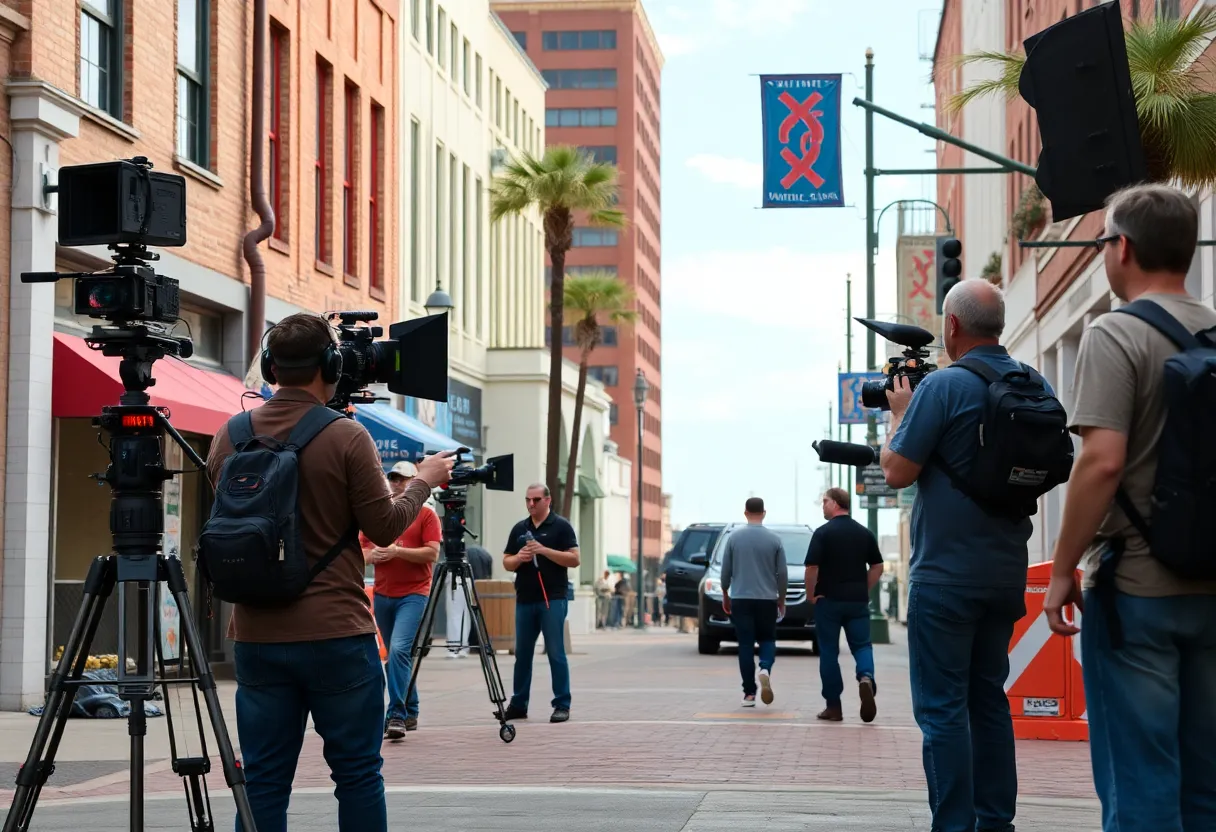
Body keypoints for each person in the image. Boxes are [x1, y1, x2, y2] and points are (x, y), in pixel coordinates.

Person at [206, 313, 455, 832]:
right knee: (359, 775)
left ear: (272, 367)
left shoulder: (229, 436)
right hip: (335, 635)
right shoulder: (346, 435)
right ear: (332, 365)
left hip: (256, 636)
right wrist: (423, 481)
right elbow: (384, 528)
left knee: (264, 780)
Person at [1043, 184, 1216, 832]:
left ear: (1122, 248)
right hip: (1210, 587)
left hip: (1140, 587)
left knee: (1141, 781)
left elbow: (1102, 462)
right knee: (1205, 784)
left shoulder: (1116, 334)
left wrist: (1063, 570)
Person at [881, 279, 1049, 832]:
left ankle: (953, 825)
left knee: (943, 710)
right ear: (998, 326)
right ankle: (995, 822)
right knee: (988, 702)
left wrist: (898, 413)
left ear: (951, 327)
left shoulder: (945, 387)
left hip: (945, 579)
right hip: (1005, 574)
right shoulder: (1033, 382)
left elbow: (896, 470)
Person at [359, 461, 441, 740]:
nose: (397, 483)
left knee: (398, 651)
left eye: (404, 478)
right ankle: (412, 707)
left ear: (415, 481)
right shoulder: (379, 515)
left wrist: (396, 552)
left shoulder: (427, 514)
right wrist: (373, 556)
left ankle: (396, 714)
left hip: (414, 593)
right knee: (397, 656)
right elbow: (360, 552)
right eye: (393, 478)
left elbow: (432, 554)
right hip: (383, 594)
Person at [804, 487, 884, 723]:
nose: (823, 505)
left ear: (836, 503)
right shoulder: (864, 533)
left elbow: (811, 568)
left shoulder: (823, 533)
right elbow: (877, 566)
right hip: (857, 602)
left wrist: (811, 594)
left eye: (825, 501)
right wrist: (863, 588)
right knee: (862, 646)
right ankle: (866, 677)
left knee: (829, 651)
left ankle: (833, 707)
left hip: (828, 601)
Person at [502, 483, 580, 723]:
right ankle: (518, 703)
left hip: (552, 598)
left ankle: (562, 704)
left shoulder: (561, 526)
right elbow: (506, 561)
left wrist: (544, 551)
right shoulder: (520, 528)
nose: (531, 504)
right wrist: (519, 558)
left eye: (536, 500)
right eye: (528, 500)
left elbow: (574, 559)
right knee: (522, 654)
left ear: (548, 500)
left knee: (556, 652)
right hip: (525, 598)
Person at [719, 497, 787, 707]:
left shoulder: (734, 538)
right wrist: (781, 599)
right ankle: (765, 668)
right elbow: (782, 573)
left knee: (745, 645)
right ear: (764, 513)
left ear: (745, 512)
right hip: (767, 598)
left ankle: (749, 694)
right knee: (767, 639)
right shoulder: (774, 540)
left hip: (741, 598)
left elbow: (726, 571)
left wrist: (725, 593)